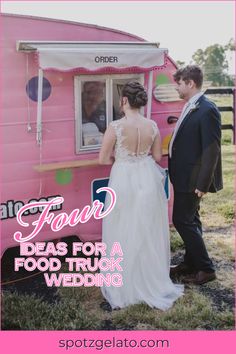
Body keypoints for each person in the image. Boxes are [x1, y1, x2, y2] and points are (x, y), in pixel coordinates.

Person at [99, 81, 184, 310]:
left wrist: (120, 159)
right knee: (146, 228)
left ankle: (125, 283)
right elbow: (156, 157)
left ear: (124, 101)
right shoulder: (152, 125)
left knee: (122, 227)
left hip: (123, 177)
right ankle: (149, 279)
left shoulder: (115, 126)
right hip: (146, 177)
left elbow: (102, 158)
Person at [168, 65, 223, 285]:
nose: (177, 88)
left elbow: (212, 149)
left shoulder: (207, 109)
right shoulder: (191, 106)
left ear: (190, 83)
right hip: (183, 175)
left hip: (193, 178)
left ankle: (206, 269)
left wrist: (203, 183)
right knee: (192, 219)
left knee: (181, 220)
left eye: (179, 83)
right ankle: (190, 263)